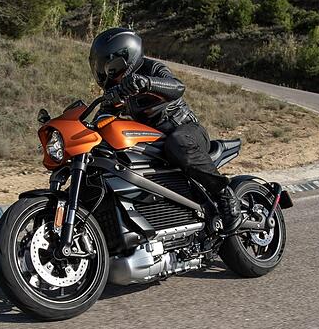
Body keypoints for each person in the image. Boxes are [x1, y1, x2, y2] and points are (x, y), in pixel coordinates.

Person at [88, 27, 242, 233]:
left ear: (124, 58)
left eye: (108, 65)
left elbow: (177, 87)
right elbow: (103, 119)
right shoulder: (118, 89)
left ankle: (224, 194)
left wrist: (146, 83)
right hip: (156, 141)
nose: (104, 72)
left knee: (177, 143)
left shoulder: (151, 68)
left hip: (186, 130)